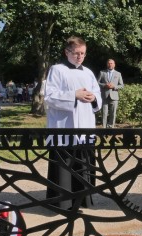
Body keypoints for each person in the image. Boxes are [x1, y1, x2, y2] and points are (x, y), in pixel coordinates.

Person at [44, 36, 102, 210]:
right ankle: (62, 201)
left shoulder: (89, 72)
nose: (79, 57)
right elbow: (50, 97)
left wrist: (94, 98)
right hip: (64, 126)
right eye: (76, 53)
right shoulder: (57, 70)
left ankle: (84, 199)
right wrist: (73, 95)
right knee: (64, 164)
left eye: (82, 53)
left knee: (83, 163)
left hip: (85, 125)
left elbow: (98, 95)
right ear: (67, 52)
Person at [97, 59, 124, 128]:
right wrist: (104, 85)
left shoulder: (118, 74)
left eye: (111, 63)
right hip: (104, 96)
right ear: (107, 64)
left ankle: (111, 127)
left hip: (114, 96)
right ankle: (104, 127)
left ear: (114, 64)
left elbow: (122, 85)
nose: (110, 64)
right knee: (104, 113)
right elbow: (97, 83)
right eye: (109, 63)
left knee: (113, 113)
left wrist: (114, 86)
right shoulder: (102, 72)